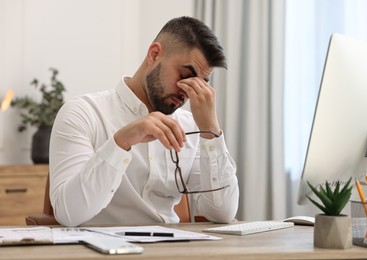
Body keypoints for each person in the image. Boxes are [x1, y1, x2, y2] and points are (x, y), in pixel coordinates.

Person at [49, 16, 239, 227]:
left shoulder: (192, 127)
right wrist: (121, 141)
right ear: (154, 54)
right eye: (185, 75)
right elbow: (68, 214)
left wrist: (211, 131)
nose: (187, 92)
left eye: (199, 84)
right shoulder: (83, 113)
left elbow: (223, 213)